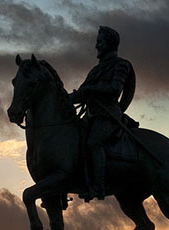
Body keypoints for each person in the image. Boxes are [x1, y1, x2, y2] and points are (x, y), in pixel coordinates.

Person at [69, 26, 135, 200]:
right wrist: (63, 99)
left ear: (109, 43)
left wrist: (91, 89)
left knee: (93, 142)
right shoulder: (95, 70)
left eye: (100, 42)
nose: (96, 46)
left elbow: (115, 89)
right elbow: (82, 92)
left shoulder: (121, 65)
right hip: (91, 115)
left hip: (109, 115)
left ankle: (98, 186)